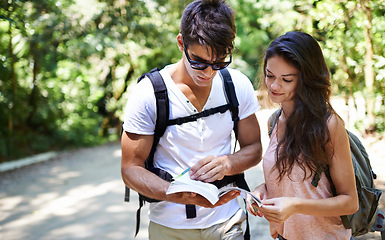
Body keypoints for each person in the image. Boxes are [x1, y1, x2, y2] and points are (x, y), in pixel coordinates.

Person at [120, 0, 263, 239]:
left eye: (218, 62)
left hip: (227, 221)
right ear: (181, 43)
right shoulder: (149, 94)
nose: (208, 73)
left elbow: (255, 148)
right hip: (170, 226)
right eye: (198, 61)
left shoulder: (236, 85)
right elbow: (130, 168)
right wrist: (173, 192)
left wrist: (227, 164)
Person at [247, 31, 359, 239]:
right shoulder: (274, 121)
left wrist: (296, 206)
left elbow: (350, 202)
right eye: (269, 75)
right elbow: (293, 184)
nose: (273, 86)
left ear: (306, 79)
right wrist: (261, 190)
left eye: (286, 79)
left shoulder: (329, 124)